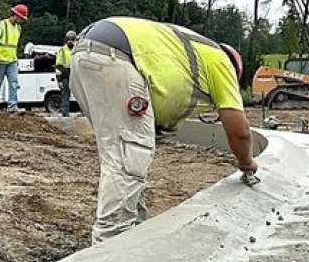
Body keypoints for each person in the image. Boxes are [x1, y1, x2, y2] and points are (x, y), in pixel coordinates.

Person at [70, 17, 258, 244]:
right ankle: (110, 246)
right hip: (115, 59)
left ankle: (134, 231)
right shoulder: (220, 61)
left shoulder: (183, 49)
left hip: (85, 54)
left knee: (121, 156)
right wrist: (247, 163)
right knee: (128, 158)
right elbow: (239, 130)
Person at [0, 4, 28, 113]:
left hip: (12, 60)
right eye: (20, 18)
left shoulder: (18, 28)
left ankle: (12, 106)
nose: (21, 20)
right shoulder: (2, 24)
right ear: (15, 15)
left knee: (14, 83)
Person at [54, 30, 76, 117]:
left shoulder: (77, 49)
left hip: (76, 75)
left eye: (72, 40)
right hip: (66, 76)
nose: (70, 41)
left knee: (80, 95)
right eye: (69, 40)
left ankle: (84, 112)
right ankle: (65, 113)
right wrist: (59, 80)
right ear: (66, 40)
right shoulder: (62, 51)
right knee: (65, 94)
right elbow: (58, 66)